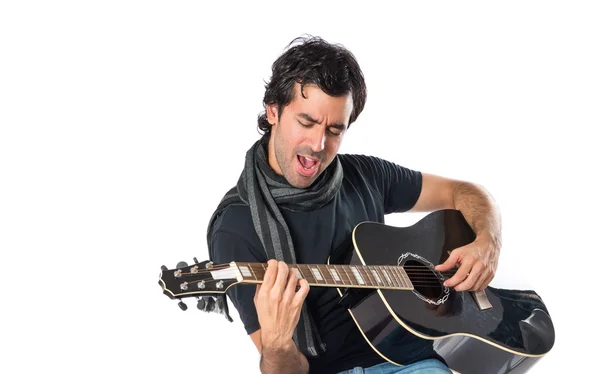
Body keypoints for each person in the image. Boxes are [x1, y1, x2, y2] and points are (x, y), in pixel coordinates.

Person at [206, 35, 502, 374]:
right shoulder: (236, 228)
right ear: (273, 111)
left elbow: (463, 192)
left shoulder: (364, 174)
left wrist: (487, 240)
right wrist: (276, 344)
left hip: (416, 361)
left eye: (335, 129)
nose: (318, 144)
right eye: (306, 122)